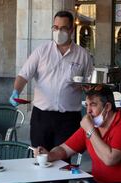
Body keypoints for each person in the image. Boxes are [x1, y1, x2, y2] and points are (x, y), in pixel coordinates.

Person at [34, 85, 121, 183]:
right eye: (87, 105)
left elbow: (110, 159)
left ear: (107, 107)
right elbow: (65, 149)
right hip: (100, 182)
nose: (88, 111)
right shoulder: (91, 125)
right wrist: (50, 155)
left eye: (93, 105)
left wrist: (90, 130)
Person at [9, 10, 93, 151]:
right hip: (42, 116)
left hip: (69, 118)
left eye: (63, 28)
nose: (58, 31)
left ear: (71, 30)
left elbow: (90, 83)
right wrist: (15, 91)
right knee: (40, 158)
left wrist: (86, 88)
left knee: (64, 161)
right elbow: (23, 75)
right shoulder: (42, 51)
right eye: (55, 27)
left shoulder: (83, 55)